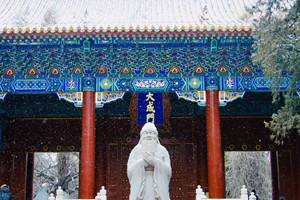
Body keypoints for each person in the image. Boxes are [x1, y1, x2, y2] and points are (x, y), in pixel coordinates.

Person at [127, 122, 172, 200]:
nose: (149, 135)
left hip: (158, 186)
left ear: (156, 136)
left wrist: (155, 163)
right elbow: (130, 172)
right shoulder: (135, 151)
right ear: (141, 136)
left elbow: (168, 171)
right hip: (141, 186)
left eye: (152, 133)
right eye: (146, 133)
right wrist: (141, 164)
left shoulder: (162, 151)